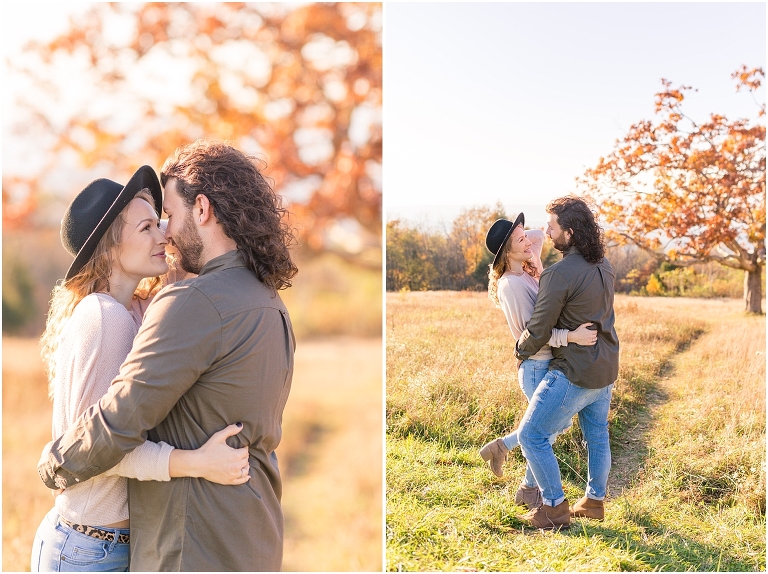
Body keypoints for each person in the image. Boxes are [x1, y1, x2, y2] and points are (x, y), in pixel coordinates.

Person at [38, 141, 298, 571]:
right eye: (151, 227)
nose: (166, 235)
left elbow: (118, 422)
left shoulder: (192, 304)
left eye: (169, 218)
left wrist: (54, 463)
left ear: (203, 210)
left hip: (190, 543)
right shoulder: (266, 299)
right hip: (251, 534)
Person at [514, 196, 619, 530]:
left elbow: (539, 328)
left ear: (570, 233)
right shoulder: (604, 264)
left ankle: (555, 508)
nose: (546, 232)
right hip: (606, 368)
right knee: (597, 436)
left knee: (531, 435)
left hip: (575, 371)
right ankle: (594, 501)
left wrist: (520, 349)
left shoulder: (558, 275)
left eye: (552, 227)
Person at [479, 213, 597, 509]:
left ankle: (505, 454)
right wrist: (571, 337)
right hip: (535, 365)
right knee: (544, 431)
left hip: (547, 363)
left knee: (546, 429)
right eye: (520, 240)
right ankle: (530, 488)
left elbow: (538, 235)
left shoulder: (528, 272)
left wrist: (518, 239)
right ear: (507, 253)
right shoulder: (512, 286)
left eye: (523, 235)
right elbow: (533, 333)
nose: (528, 240)